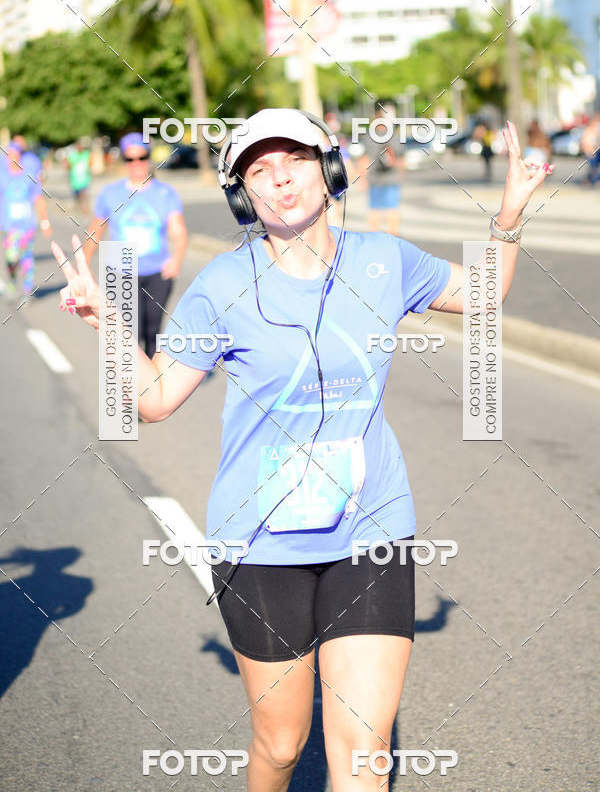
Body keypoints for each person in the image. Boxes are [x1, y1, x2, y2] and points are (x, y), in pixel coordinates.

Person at [51, 111, 553, 791]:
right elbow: (156, 399)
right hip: (259, 543)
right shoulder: (223, 285)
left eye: (295, 158)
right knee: (283, 743)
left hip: (371, 528)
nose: (280, 177)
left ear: (329, 169)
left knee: (363, 752)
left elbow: (484, 293)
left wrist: (510, 214)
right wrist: (108, 322)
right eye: (259, 169)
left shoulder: (384, 260)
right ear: (243, 195)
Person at [82, 132, 188, 358]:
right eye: (130, 159)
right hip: (122, 273)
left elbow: (178, 230)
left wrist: (177, 259)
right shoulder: (110, 194)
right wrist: (83, 268)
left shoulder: (165, 193)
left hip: (158, 273)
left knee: (153, 332)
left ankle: (152, 379)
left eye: (142, 157)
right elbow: (95, 232)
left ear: (149, 158)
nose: (137, 163)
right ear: (124, 161)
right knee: (130, 333)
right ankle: (132, 379)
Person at [0, 140, 52, 304]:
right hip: (9, 226)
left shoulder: (29, 176)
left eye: (16, 155)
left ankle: (27, 292)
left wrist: (45, 222)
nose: (13, 158)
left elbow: (38, 198)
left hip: (27, 225)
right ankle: (13, 282)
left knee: (27, 258)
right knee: (11, 257)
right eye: (10, 155)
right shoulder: (3, 177)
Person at [358, 104, 405, 235]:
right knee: (392, 209)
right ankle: (393, 236)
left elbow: (364, 160)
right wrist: (401, 175)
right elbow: (401, 159)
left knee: (374, 209)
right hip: (392, 178)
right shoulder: (395, 137)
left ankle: (375, 236)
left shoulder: (369, 137)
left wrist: (362, 178)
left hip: (374, 179)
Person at [65, 138, 92, 215]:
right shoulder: (73, 155)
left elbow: (90, 163)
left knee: (84, 194)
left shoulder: (86, 154)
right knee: (76, 195)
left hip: (84, 179)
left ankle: (85, 209)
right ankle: (77, 208)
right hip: (75, 180)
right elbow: (67, 166)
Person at [581, 114, 600, 187]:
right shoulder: (588, 131)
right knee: (593, 168)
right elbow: (584, 143)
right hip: (590, 153)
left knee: (594, 167)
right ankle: (593, 181)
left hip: (596, 152)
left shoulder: (596, 131)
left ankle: (589, 180)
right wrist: (589, 152)